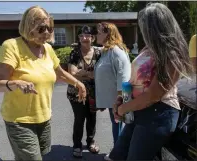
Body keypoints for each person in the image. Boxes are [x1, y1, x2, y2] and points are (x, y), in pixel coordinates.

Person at [0, 6, 86, 161]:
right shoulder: (12, 46)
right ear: (29, 26)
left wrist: (78, 84)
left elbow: (60, 73)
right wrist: (16, 83)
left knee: (35, 156)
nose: (47, 33)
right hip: (19, 120)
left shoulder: (48, 49)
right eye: (41, 29)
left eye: (50, 28)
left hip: (44, 117)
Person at [106, 3, 194, 161]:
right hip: (140, 109)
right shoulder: (148, 48)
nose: (142, 30)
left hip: (159, 114)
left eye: (145, 25)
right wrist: (123, 99)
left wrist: (123, 108)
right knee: (116, 156)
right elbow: (138, 81)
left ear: (156, 26)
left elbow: (153, 95)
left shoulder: (171, 53)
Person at [94, 22, 131, 146]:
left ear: (107, 34)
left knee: (119, 127)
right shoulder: (107, 51)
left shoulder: (116, 52)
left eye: (99, 33)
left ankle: (119, 154)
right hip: (112, 100)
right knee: (116, 126)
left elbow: (124, 76)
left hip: (117, 100)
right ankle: (118, 151)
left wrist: (120, 101)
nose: (96, 35)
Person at [67, 25, 101, 158]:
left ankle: (90, 141)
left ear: (92, 38)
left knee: (92, 117)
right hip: (76, 93)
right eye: (81, 36)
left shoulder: (98, 52)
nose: (84, 38)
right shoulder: (75, 53)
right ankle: (77, 145)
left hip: (94, 93)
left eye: (87, 36)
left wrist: (82, 73)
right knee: (80, 118)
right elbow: (72, 73)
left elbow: (101, 72)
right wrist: (90, 74)